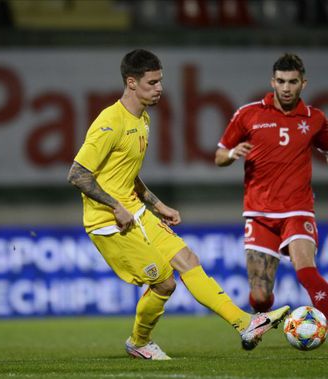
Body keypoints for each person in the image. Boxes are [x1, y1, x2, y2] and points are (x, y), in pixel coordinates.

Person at [67, 49, 290, 360]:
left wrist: (158, 205)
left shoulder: (142, 118)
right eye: (152, 82)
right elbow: (78, 175)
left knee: (187, 258)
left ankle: (246, 324)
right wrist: (115, 206)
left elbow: (127, 176)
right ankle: (139, 342)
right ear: (131, 83)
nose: (160, 87)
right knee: (164, 283)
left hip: (138, 212)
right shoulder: (109, 123)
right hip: (109, 222)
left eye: (161, 81)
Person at [214, 53, 328, 350]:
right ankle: (259, 323)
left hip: (298, 208)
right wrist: (232, 154)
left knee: (306, 270)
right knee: (261, 296)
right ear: (272, 82)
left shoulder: (314, 118)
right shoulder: (248, 114)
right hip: (258, 212)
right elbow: (219, 156)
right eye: (281, 81)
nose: (286, 87)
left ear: (303, 83)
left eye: (292, 82)